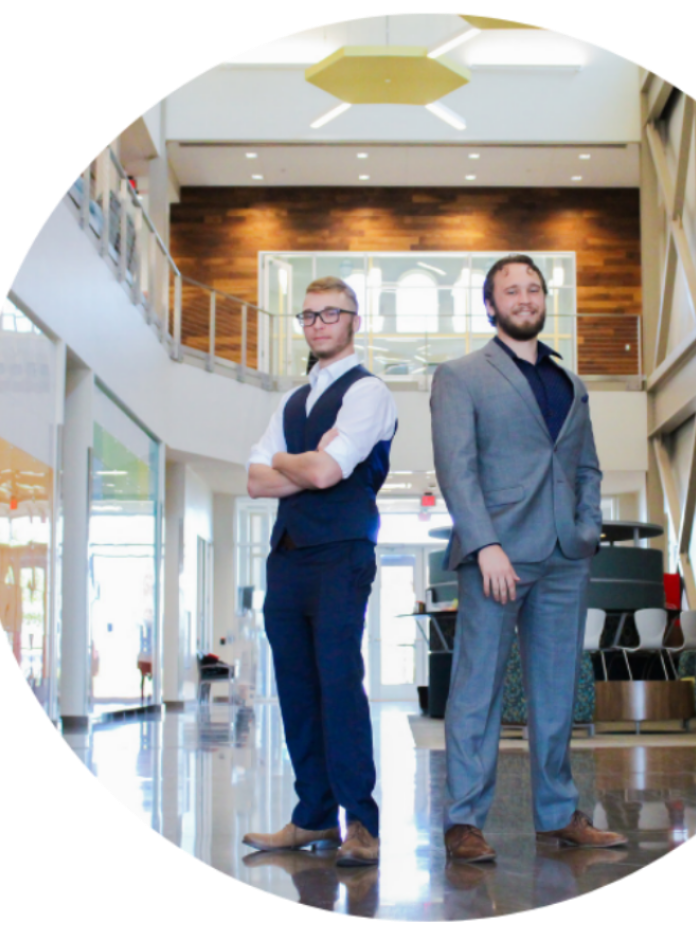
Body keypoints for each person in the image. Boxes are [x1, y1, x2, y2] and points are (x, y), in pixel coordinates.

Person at [430, 254, 628, 864]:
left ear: (545, 300)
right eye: (511, 290)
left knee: (556, 689)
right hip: (496, 556)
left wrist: (588, 529)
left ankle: (557, 815)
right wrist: (485, 543)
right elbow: (456, 468)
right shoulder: (461, 375)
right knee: (477, 691)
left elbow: (586, 465)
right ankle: (465, 820)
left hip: (566, 556)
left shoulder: (571, 383)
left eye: (533, 288)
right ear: (490, 306)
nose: (524, 297)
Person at [242, 276, 398, 868]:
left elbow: (331, 474)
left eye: (330, 314)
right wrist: (297, 461)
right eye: (308, 316)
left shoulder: (369, 392)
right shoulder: (291, 400)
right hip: (287, 558)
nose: (318, 324)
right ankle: (313, 816)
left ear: (353, 321)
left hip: (340, 554)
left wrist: (292, 463)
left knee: (337, 684)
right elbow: (254, 480)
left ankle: (360, 821)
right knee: (298, 691)